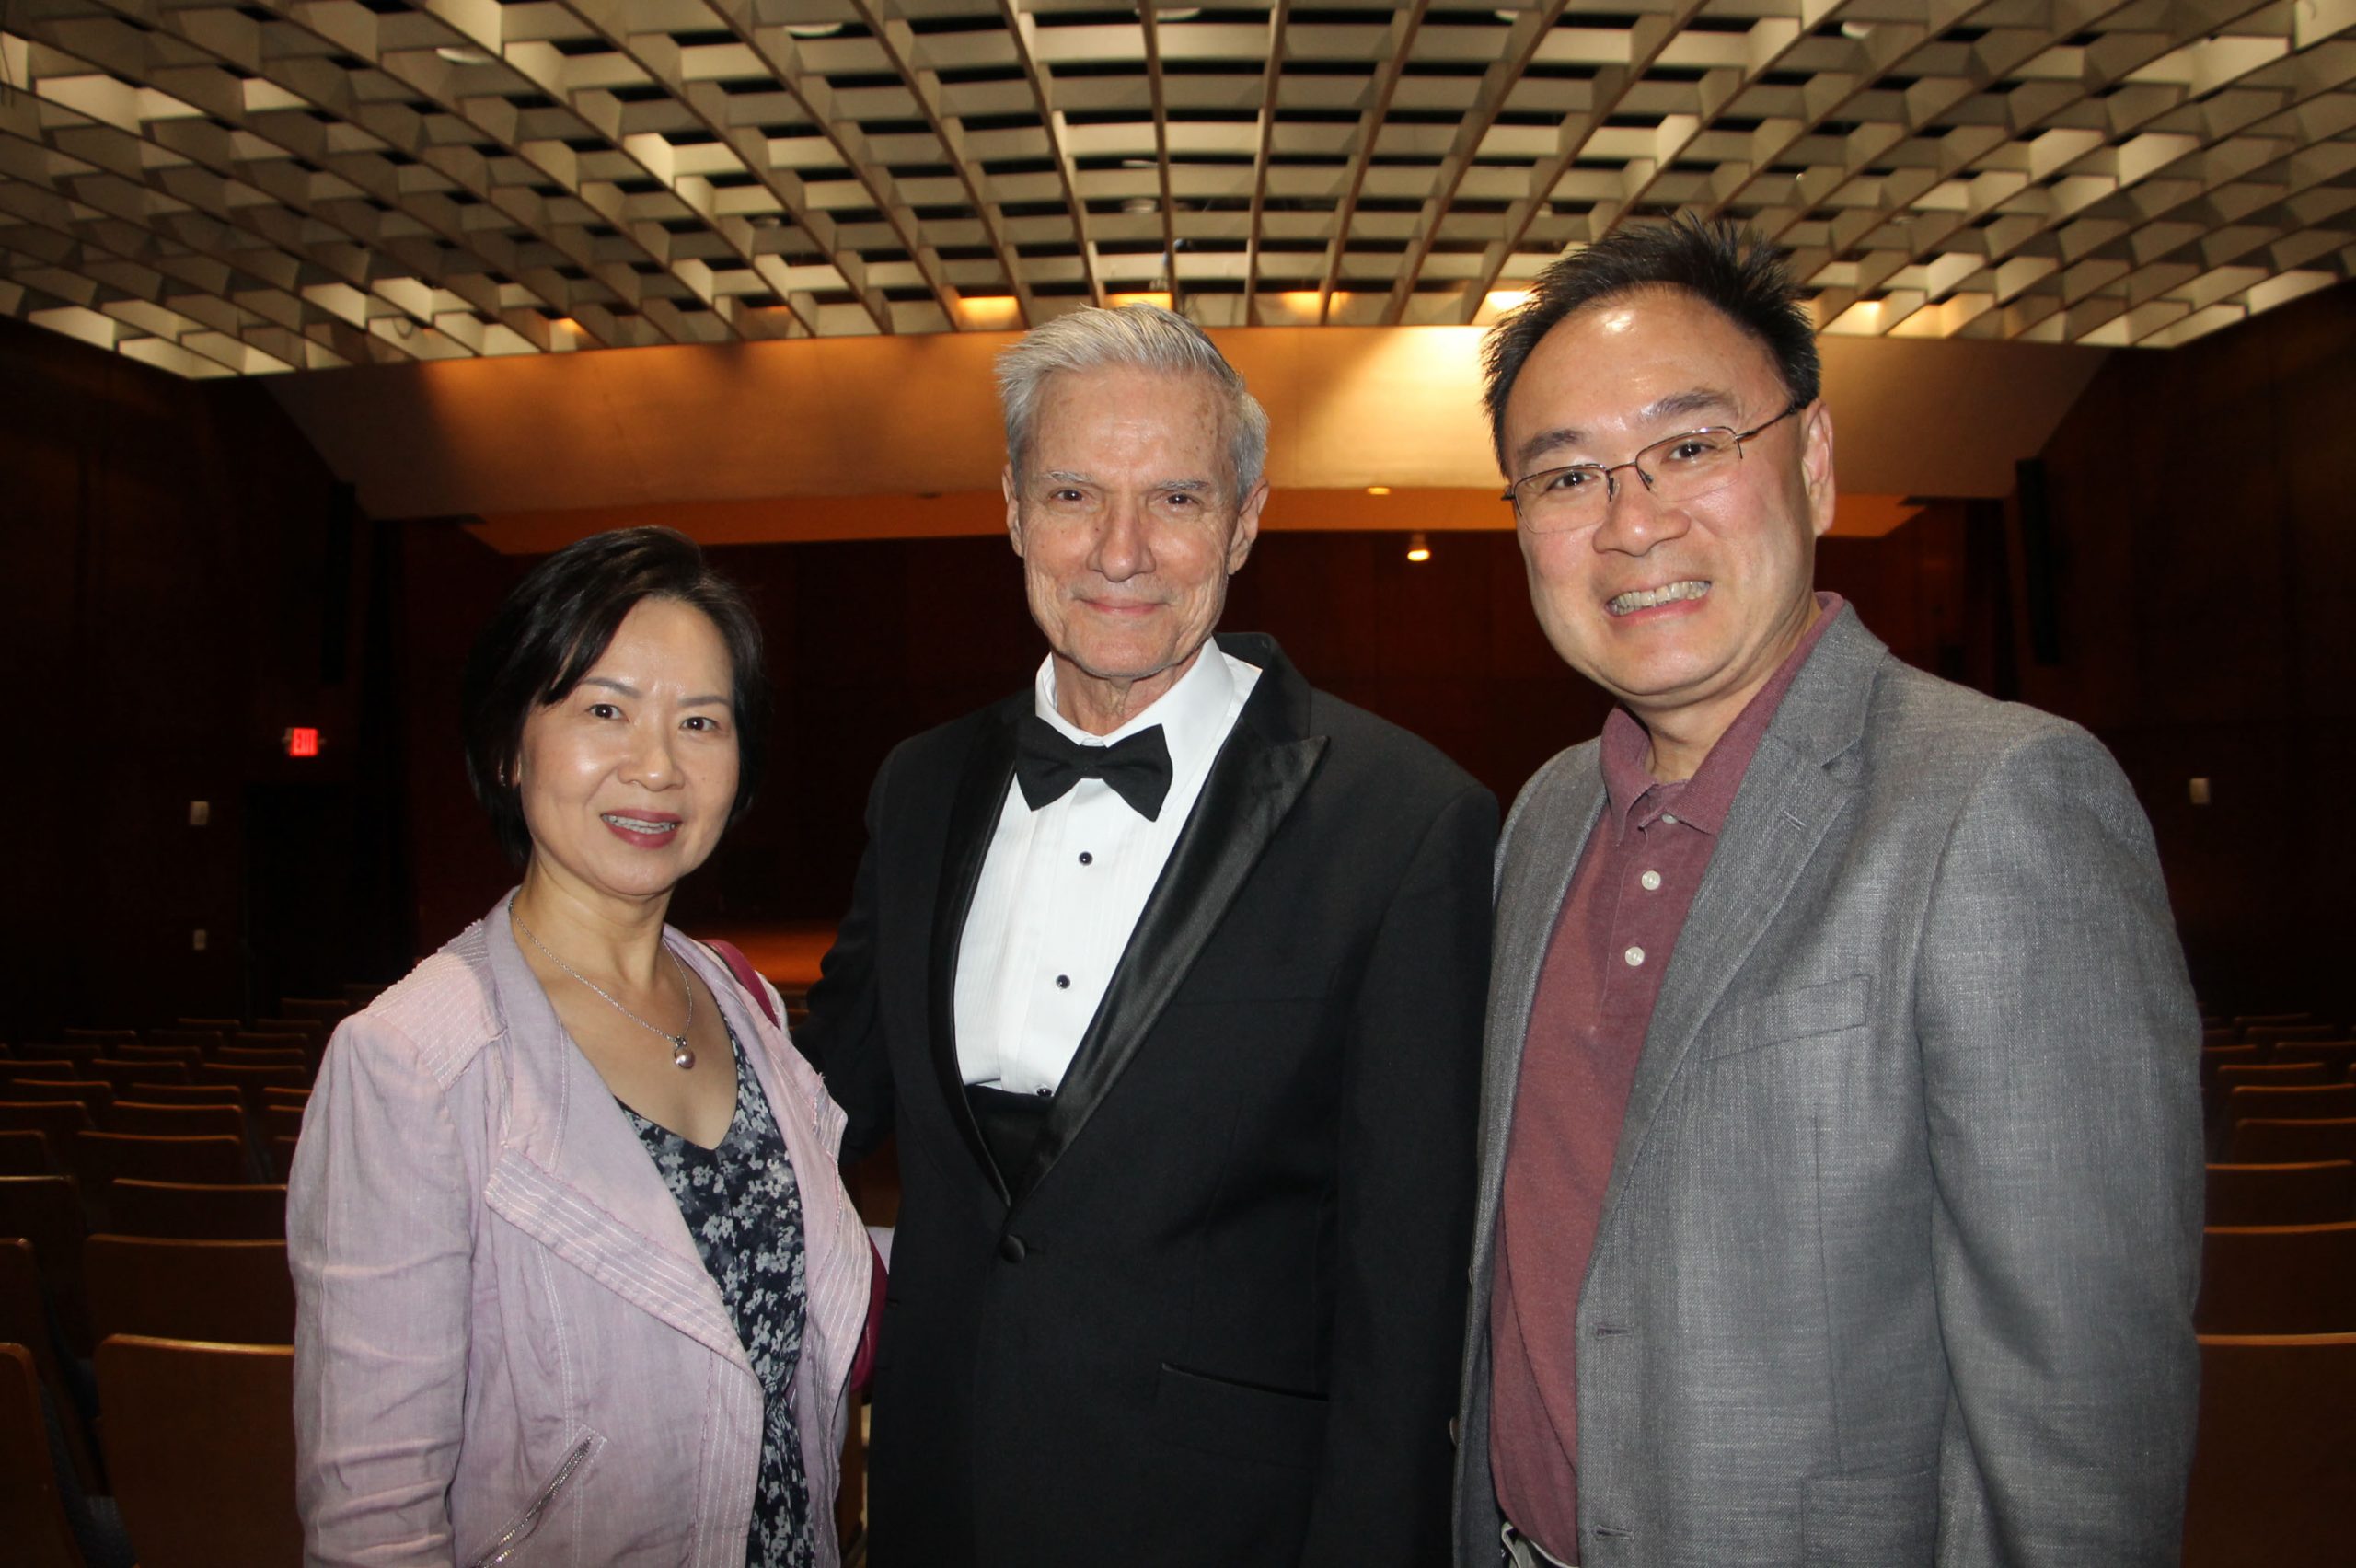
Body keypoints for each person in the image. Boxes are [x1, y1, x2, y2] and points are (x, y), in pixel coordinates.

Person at [1452, 218, 2203, 1567]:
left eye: (1689, 448)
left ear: (1810, 459)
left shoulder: (1998, 804)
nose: (1633, 521)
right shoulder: (1546, 815)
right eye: (1566, 477)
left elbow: (2076, 1416)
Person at [795, 303, 1496, 1567]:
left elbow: (1407, 1288)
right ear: (1012, 507)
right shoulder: (918, 787)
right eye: (1073, 492)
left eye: (1176, 498)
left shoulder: (1406, 822)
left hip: (1231, 1523)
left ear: (1245, 518)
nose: (1120, 550)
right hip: (939, 1497)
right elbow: (815, 1110)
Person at [289, 527, 872, 1567]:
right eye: (605, 710)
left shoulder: (748, 1010)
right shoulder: (414, 1062)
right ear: (512, 745)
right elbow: (371, 1512)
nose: (656, 765)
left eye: (701, 722)